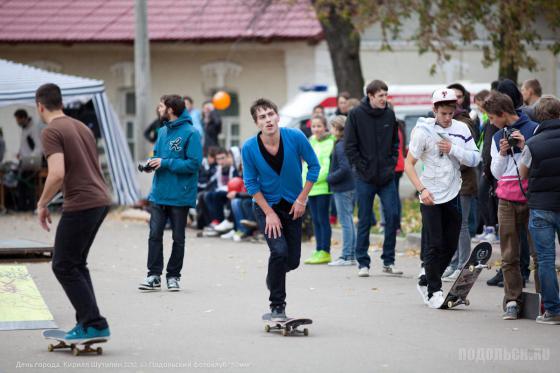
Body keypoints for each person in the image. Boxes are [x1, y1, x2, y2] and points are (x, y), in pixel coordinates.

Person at [35, 83, 111, 340]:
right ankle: (89, 323)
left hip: (82, 202)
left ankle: (94, 322)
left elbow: (57, 173)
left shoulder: (51, 131)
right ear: (62, 103)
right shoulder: (81, 127)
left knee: (63, 265)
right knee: (76, 263)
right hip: (100, 199)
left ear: (40, 106)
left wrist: (42, 203)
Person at [242, 98, 319, 321]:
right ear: (257, 123)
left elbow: (314, 166)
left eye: (270, 114)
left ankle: (273, 276)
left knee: (292, 260)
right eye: (262, 117)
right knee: (279, 251)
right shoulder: (249, 147)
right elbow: (251, 183)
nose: (268, 120)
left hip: (294, 206)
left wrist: (302, 199)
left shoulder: (295, 137)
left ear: (277, 116)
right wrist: (269, 213)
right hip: (266, 207)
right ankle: (277, 306)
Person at [405, 88, 481, 308]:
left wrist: (454, 149)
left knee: (449, 244)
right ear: (434, 110)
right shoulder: (423, 131)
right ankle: (434, 290)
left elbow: (475, 158)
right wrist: (422, 190)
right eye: (443, 114)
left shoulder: (461, 129)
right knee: (435, 244)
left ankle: (427, 278)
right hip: (429, 194)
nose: (447, 118)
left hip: (454, 192)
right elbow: (408, 164)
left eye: (450, 113)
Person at [483, 91, 539, 320]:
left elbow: (541, 162)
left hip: (532, 197)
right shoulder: (497, 137)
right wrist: (503, 154)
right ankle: (512, 301)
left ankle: (546, 301)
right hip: (506, 199)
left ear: (503, 114)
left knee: (539, 253)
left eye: (491, 117)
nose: (490, 121)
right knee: (509, 254)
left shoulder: (534, 128)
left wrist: (526, 146)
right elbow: (496, 172)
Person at [138, 95, 202, 292]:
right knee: (154, 235)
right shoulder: (162, 131)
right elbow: (158, 157)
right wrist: (150, 165)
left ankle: (173, 276)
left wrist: (165, 163)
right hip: (158, 193)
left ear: (171, 109)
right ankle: (153, 275)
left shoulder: (192, 133)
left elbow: (194, 163)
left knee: (178, 238)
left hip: (180, 195)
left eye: (161, 106)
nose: (158, 109)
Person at [345, 79, 402, 277]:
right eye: (381, 96)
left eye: (386, 95)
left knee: (393, 216)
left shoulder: (389, 113)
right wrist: (362, 168)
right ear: (370, 96)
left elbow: (396, 143)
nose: (384, 99)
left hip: (387, 177)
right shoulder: (355, 114)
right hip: (364, 178)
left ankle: (389, 260)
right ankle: (363, 262)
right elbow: (349, 146)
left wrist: (391, 164)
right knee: (365, 219)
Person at [518, 95, 560, 324]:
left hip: (542, 207)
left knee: (545, 260)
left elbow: (523, 174)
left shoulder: (533, 143)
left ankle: (553, 311)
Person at [303, 115, 335, 265]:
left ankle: (325, 251)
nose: (316, 129)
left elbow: (327, 165)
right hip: (311, 188)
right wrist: (305, 182)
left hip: (323, 187)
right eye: (314, 126)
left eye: (319, 126)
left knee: (323, 219)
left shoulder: (331, 142)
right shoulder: (311, 141)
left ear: (325, 127)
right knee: (315, 220)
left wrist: (314, 178)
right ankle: (318, 249)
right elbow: (307, 163)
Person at [327, 115, 356, 266]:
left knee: (345, 221)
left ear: (338, 129)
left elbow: (344, 168)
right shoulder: (346, 143)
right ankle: (351, 255)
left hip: (343, 187)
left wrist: (330, 178)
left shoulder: (340, 145)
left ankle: (346, 256)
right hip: (349, 186)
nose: (330, 130)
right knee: (349, 220)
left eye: (332, 127)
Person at [14, 108, 44, 211]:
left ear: (23, 118)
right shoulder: (24, 128)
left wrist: (30, 158)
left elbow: (38, 147)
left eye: (18, 120)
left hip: (31, 161)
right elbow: (24, 144)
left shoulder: (33, 128)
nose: (17, 122)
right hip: (25, 160)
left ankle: (30, 207)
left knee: (29, 185)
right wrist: (20, 153)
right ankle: (22, 207)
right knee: (21, 185)